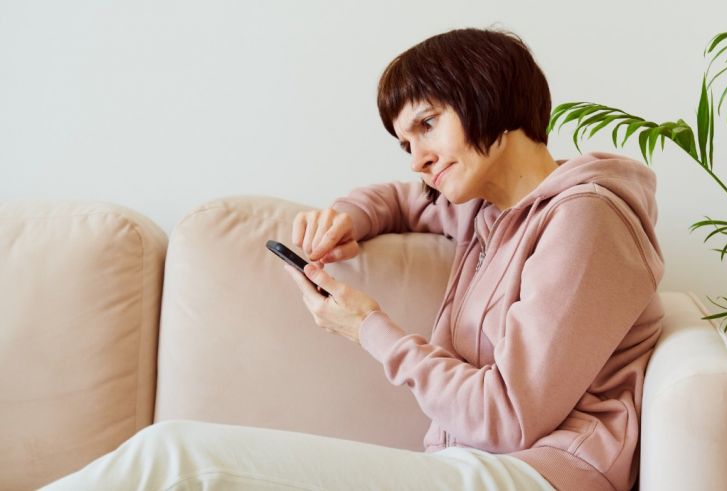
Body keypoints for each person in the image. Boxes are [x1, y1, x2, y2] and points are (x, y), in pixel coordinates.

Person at [41, 27, 663, 491]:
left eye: (428, 124)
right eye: (404, 142)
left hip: (543, 475)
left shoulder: (586, 218)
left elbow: (507, 417)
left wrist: (368, 328)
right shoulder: (486, 211)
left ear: (491, 98)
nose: (416, 157)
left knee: (175, 459)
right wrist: (345, 217)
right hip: (472, 467)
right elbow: (401, 199)